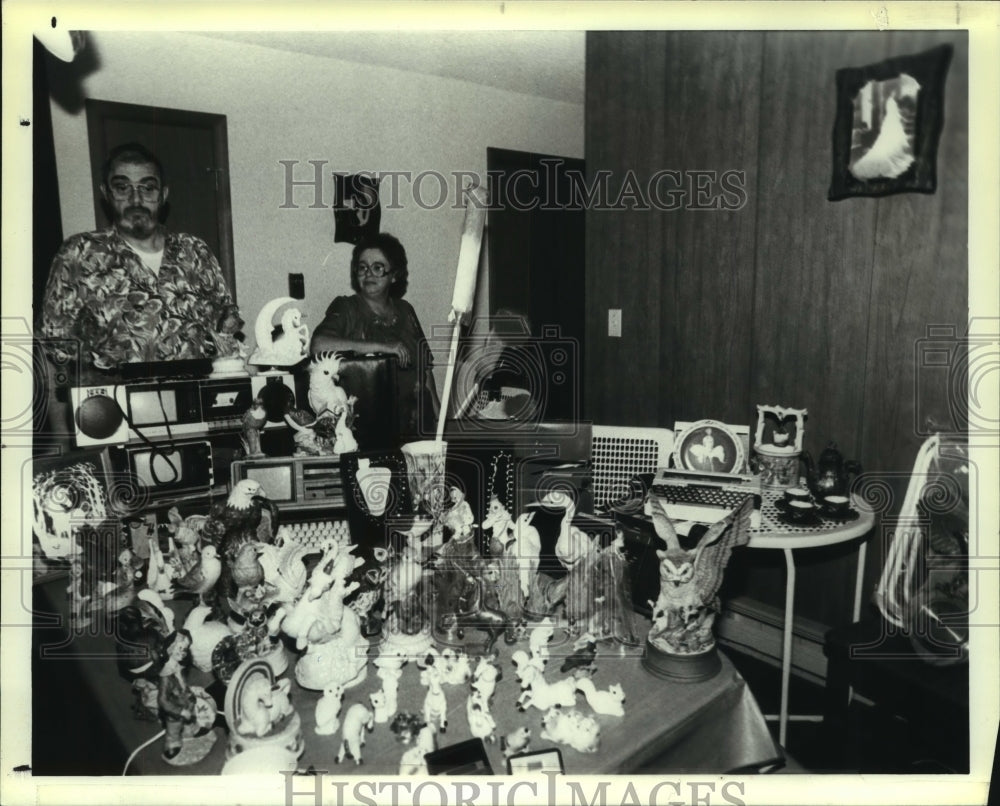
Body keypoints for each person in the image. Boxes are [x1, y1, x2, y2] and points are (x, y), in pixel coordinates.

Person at [39, 142, 238, 372]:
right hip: (115, 405)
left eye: (148, 188)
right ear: (106, 193)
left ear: (163, 195)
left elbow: (227, 338)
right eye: (122, 187)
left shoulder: (196, 252)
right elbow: (52, 352)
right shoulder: (78, 254)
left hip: (195, 401)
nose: (135, 200)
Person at [311, 232, 439, 437]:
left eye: (378, 267)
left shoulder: (406, 310)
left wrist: (439, 421)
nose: (368, 274)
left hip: (417, 426)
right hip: (369, 429)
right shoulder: (347, 307)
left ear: (394, 275)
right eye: (362, 267)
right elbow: (318, 345)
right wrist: (382, 346)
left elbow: (425, 373)